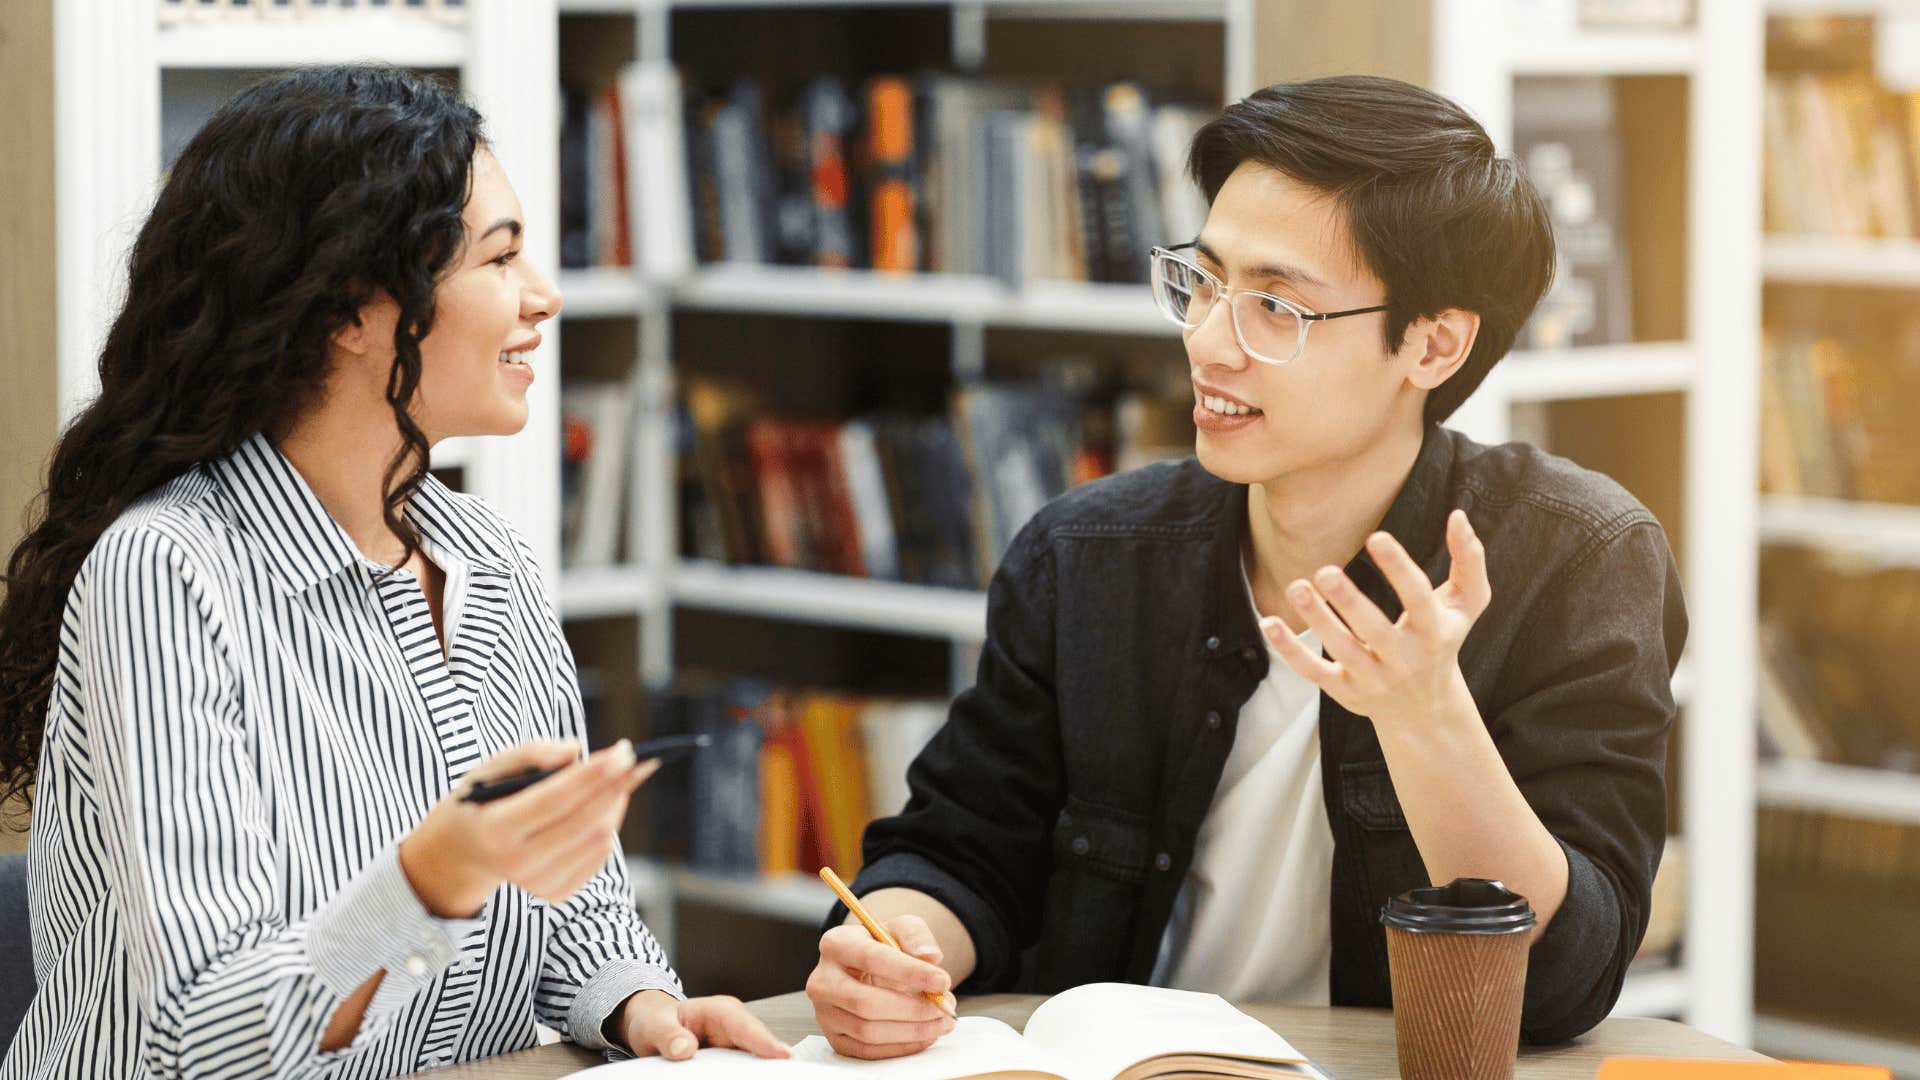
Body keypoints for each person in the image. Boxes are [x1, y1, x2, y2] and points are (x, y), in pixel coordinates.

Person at [804, 74, 1686, 1059]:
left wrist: (1424, 715)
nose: (1206, 341)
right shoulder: (1086, 555)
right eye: (1205, 281)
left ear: (1433, 345)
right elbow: (960, 850)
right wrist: (895, 944)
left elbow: (1565, 982)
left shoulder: (1580, 561)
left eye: (1274, 305)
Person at [0, 66, 787, 1078]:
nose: (543, 296)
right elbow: (207, 1034)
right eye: (499, 257)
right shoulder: (165, 575)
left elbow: (576, 914)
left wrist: (641, 1007)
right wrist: (430, 880)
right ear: (349, 311)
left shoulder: (491, 558)